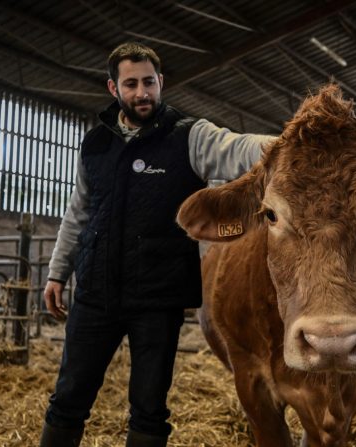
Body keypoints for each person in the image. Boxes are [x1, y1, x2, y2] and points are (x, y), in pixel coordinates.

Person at [39, 42, 274, 447]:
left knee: (150, 407)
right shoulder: (94, 144)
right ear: (114, 89)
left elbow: (238, 147)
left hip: (157, 298)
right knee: (69, 396)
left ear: (161, 82)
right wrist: (57, 272)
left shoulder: (189, 136)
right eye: (130, 84)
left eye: (149, 82)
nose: (142, 92)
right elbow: (78, 213)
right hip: (95, 293)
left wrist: (289, 144)